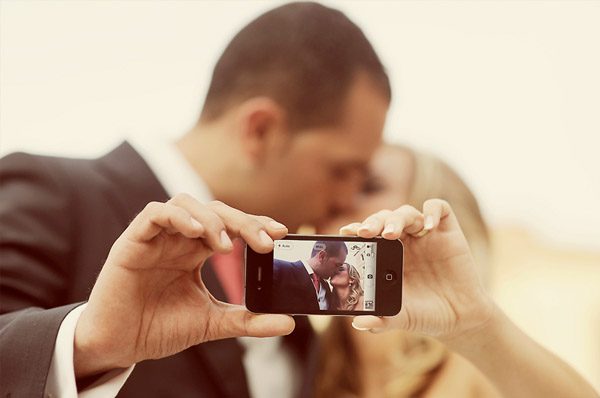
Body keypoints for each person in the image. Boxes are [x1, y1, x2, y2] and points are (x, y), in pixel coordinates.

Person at [0, 3, 391, 397]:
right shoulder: (52, 194)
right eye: (341, 171)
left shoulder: (292, 284)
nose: (346, 198)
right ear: (261, 130)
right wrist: (87, 343)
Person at [311, 144, 598, 398]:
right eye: (339, 179)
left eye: (370, 187)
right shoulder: (306, 365)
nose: (341, 198)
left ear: (425, 227)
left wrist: (475, 325)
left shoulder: (482, 376)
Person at [272, 241, 347, 312]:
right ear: (322, 256)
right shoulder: (279, 268)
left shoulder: (326, 287)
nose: (337, 271)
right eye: (337, 265)